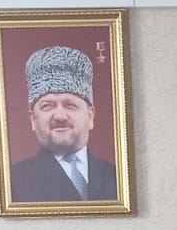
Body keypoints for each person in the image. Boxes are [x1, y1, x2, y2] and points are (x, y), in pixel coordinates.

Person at [8, 44, 117, 202]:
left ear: (90, 116)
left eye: (70, 105)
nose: (60, 116)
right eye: (47, 106)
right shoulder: (13, 182)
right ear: (33, 120)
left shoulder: (118, 177)